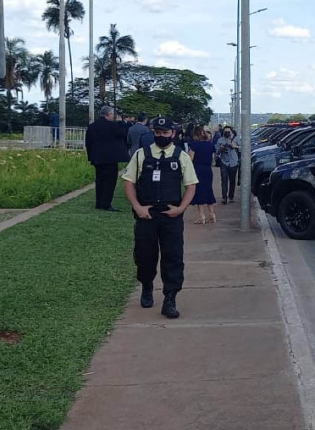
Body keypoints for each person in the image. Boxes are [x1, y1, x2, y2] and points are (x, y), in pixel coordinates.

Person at [121, 115, 198, 319]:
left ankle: (170, 299)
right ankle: (147, 285)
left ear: (173, 133)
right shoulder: (141, 154)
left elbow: (191, 186)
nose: (161, 136)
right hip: (146, 214)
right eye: (158, 132)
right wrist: (137, 207)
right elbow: (128, 182)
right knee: (145, 256)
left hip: (171, 215)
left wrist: (181, 208)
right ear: (153, 133)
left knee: (173, 257)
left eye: (165, 132)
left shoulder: (181, 156)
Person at [85, 106, 129, 211]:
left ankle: (99, 202)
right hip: (110, 158)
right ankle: (106, 203)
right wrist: (120, 122)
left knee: (100, 180)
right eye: (113, 115)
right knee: (110, 182)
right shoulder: (113, 126)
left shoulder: (92, 126)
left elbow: (88, 143)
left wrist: (91, 156)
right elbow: (123, 134)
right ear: (109, 114)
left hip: (97, 158)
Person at [188, 126, 217, 224]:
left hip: (198, 170)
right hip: (208, 169)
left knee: (199, 191)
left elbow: (190, 159)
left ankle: (201, 216)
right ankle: (212, 214)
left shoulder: (194, 145)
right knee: (209, 190)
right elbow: (213, 159)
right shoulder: (210, 145)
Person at [215, 125, 240, 204]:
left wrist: (235, 146)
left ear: (231, 132)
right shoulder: (220, 140)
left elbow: (243, 147)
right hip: (224, 161)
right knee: (224, 179)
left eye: (228, 132)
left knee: (232, 180)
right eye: (225, 132)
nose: (227, 133)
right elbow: (217, 152)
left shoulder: (236, 139)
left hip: (233, 162)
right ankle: (224, 197)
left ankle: (231, 196)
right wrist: (221, 149)